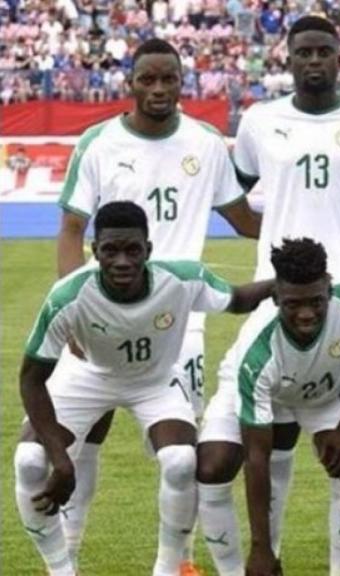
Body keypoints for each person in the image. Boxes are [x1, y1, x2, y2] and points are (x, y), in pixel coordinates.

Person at [196, 16, 340, 576]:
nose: (314, 61)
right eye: (304, 52)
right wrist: (270, 242)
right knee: (265, 441)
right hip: (285, 292)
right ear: (289, 58)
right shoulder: (260, 121)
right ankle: (256, 558)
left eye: (325, 51)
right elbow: (237, 196)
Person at [53, 37, 262, 575]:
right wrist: (73, 305)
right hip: (103, 310)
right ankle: (67, 556)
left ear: (182, 82)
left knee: (179, 455)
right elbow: (73, 227)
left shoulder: (206, 142)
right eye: (148, 78)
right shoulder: (99, 143)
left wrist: (314, 233)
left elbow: (243, 219)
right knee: (84, 437)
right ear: (130, 83)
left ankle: (179, 562)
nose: (159, 89)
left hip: (177, 321)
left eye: (169, 78)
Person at [13, 201, 272, 576]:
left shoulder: (181, 279)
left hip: (154, 381)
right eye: (110, 250)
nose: (121, 261)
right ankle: (61, 570)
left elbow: (237, 299)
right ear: (95, 251)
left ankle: (167, 569)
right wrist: (62, 458)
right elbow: (31, 378)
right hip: (86, 375)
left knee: (181, 462)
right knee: (30, 461)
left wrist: (282, 284)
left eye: (132, 250)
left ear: (148, 250)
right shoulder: (68, 296)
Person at [237, 238, 340, 576]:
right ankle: (270, 556)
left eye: (316, 301)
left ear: (330, 288)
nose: (306, 314)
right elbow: (256, 459)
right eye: (293, 304)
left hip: (327, 393)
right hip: (276, 395)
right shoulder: (258, 356)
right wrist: (259, 548)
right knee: (248, 462)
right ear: (276, 296)